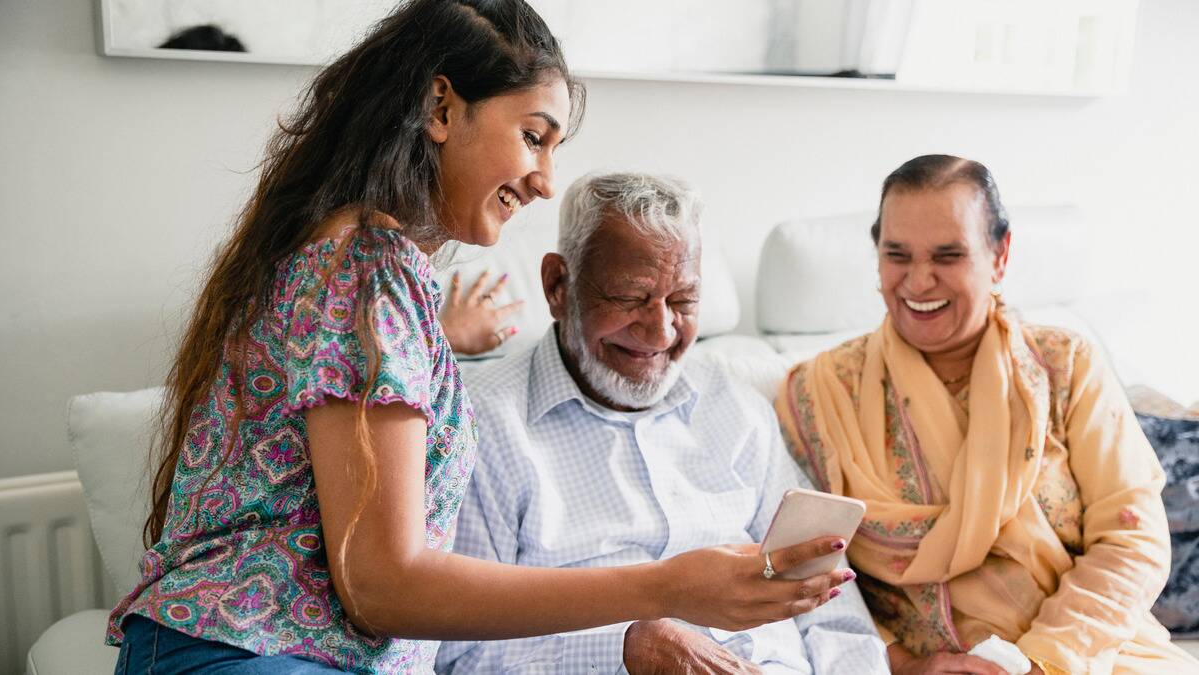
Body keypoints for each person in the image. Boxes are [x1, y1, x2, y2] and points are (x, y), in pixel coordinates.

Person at [106, 2, 841, 672]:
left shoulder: (365, 268)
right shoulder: (367, 267)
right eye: (533, 137)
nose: (546, 180)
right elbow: (380, 583)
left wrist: (439, 339)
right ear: (440, 107)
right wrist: (665, 586)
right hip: (250, 651)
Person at [436, 172, 888, 674]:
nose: (660, 330)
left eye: (683, 301)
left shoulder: (738, 409)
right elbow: (460, 654)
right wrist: (624, 653)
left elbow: (832, 612)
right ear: (557, 286)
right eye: (630, 298)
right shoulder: (479, 423)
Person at [775, 154, 1199, 675]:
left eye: (947, 255)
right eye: (897, 255)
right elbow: (802, 569)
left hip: (1090, 654)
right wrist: (904, 664)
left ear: (1000, 254)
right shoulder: (818, 395)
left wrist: (1041, 662)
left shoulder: (1064, 367)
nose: (918, 281)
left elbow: (1131, 535)